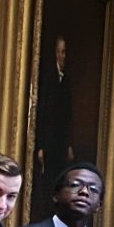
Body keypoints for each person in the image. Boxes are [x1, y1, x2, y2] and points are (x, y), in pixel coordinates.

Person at [33, 35, 74, 201]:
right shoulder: (49, 78)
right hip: (49, 141)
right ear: (55, 54)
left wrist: (69, 144)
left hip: (61, 142)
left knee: (60, 180)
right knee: (48, 181)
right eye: (59, 52)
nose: (61, 56)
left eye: (64, 52)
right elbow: (43, 113)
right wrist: (41, 145)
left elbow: (68, 116)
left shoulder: (67, 78)